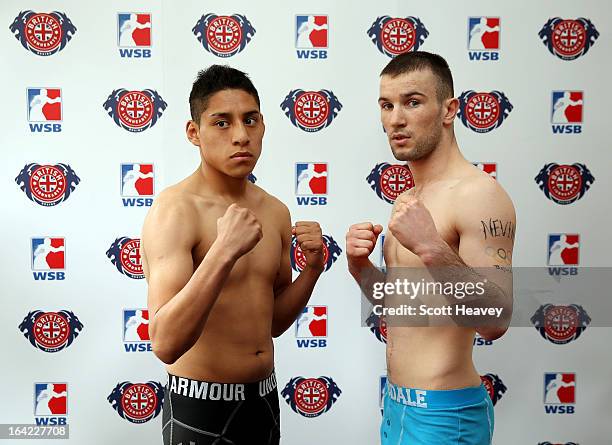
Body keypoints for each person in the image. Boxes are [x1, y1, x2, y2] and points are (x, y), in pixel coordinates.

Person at [141, 65, 325, 445]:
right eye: (222, 123)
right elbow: (165, 342)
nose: (241, 136)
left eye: (250, 120)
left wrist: (312, 270)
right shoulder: (175, 210)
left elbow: (272, 321)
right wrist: (223, 253)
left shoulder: (275, 211)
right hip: (199, 408)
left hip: (264, 402)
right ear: (195, 133)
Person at [346, 52, 515, 444]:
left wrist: (431, 247)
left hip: (446, 414)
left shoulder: (479, 195)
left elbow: (496, 321)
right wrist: (361, 268)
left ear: (449, 109)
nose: (395, 119)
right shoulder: (408, 198)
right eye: (386, 105)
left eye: (413, 102)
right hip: (396, 407)